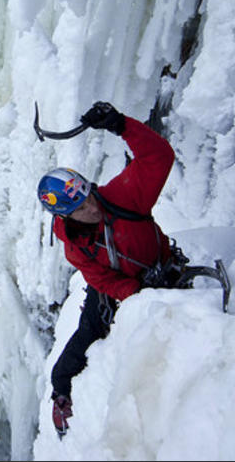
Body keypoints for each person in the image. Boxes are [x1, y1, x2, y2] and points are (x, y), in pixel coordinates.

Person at [37, 101, 187, 438]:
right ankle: (61, 392)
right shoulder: (75, 247)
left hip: (164, 269)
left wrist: (120, 124)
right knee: (84, 336)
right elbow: (101, 279)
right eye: (80, 208)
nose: (92, 207)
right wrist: (136, 293)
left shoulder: (122, 198)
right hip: (116, 287)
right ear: (65, 216)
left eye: (88, 196)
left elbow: (159, 157)